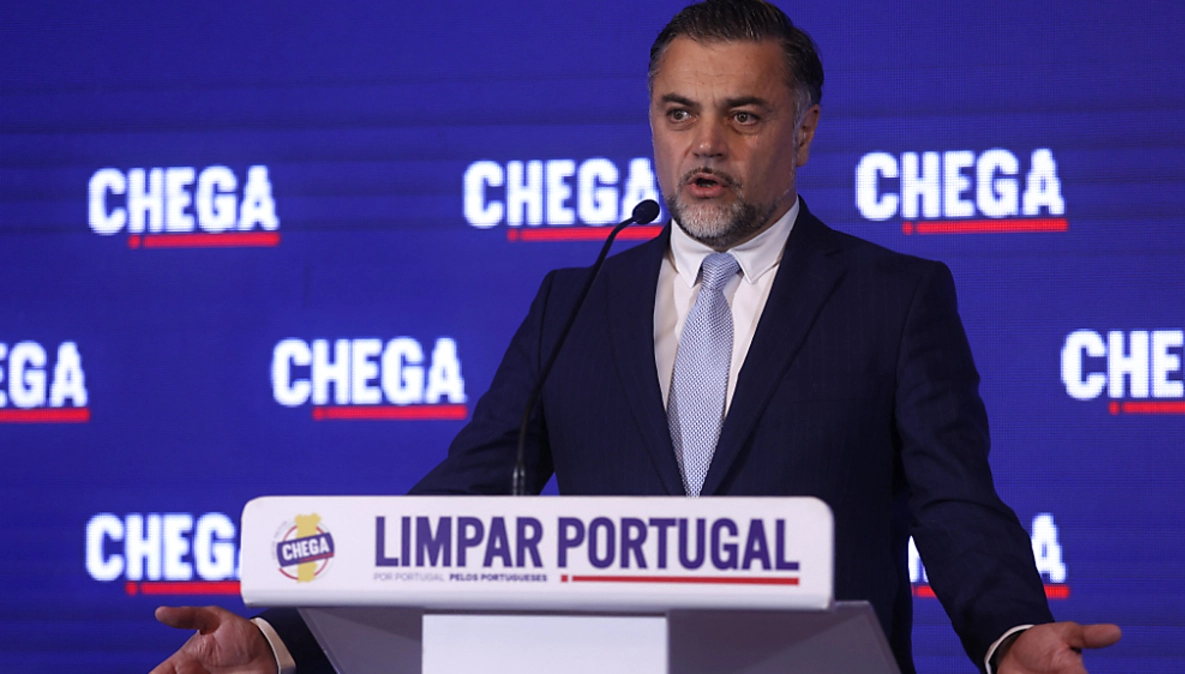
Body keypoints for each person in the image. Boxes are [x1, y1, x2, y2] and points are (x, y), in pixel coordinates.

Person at [151, 2, 1121, 673]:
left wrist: (1011, 634)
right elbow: (454, 516)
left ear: (804, 131)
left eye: (744, 116)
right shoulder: (577, 303)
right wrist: (280, 641)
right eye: (678, 113)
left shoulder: (894, 299)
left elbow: (956, 505)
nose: (706, 145)